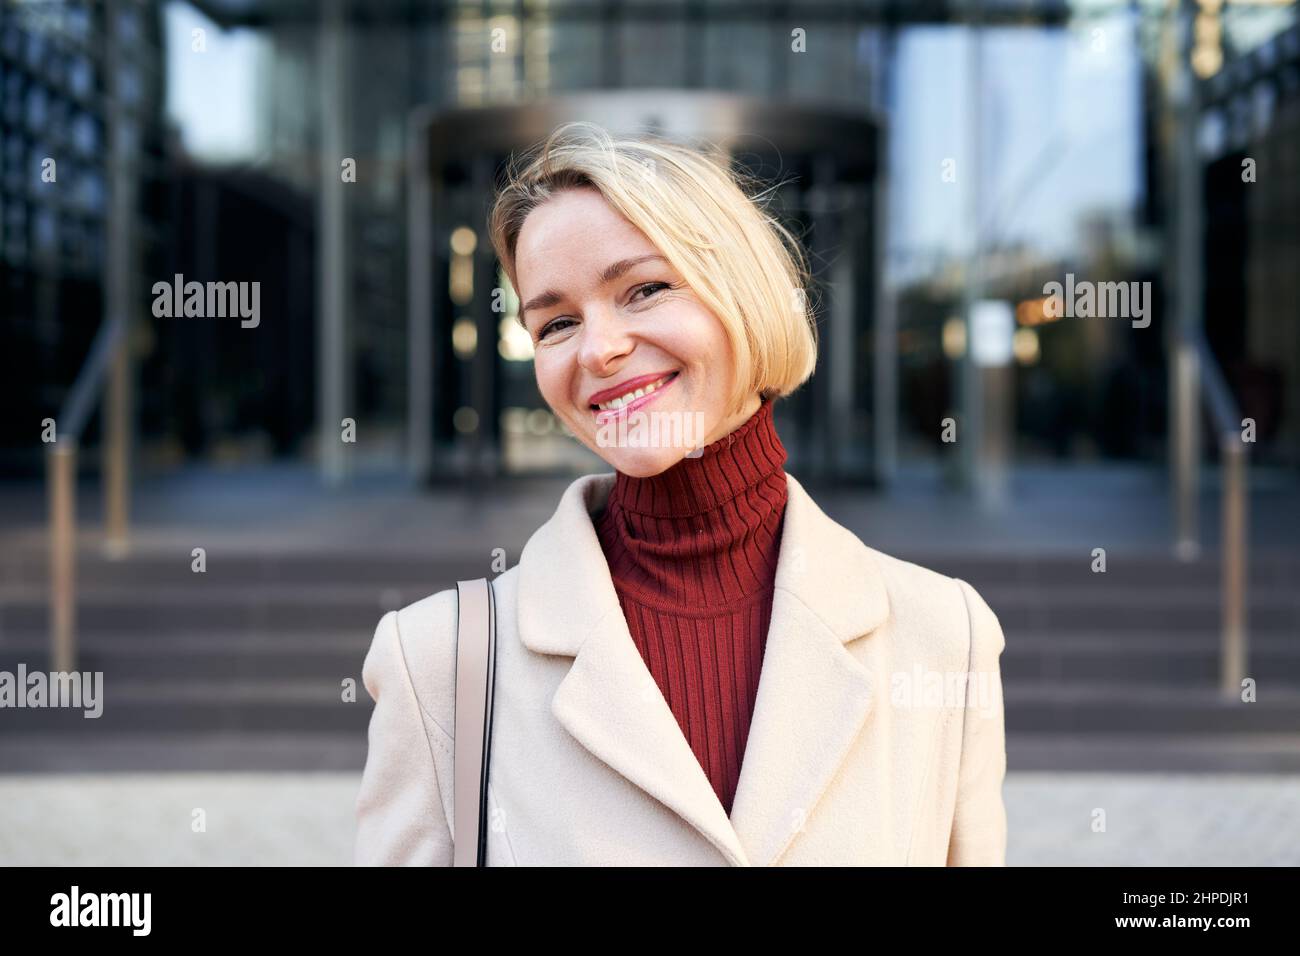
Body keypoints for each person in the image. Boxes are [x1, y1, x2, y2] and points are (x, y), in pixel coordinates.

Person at [354, 122, 1007, 866]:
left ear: (746, 293)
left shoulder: (944, 636)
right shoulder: (439, 661)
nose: (598, 349)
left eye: (645, 289)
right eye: (557, 322)